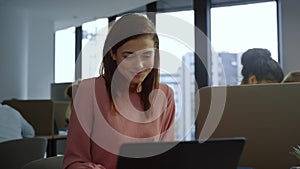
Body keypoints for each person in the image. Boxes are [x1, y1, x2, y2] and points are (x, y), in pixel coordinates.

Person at [63, 13, 175, 169]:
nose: (140, 65)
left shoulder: (164, 95)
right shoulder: (89, 92)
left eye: (147, 55)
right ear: (113, 53)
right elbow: (74, 163)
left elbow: (168, 159)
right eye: (128, 56)